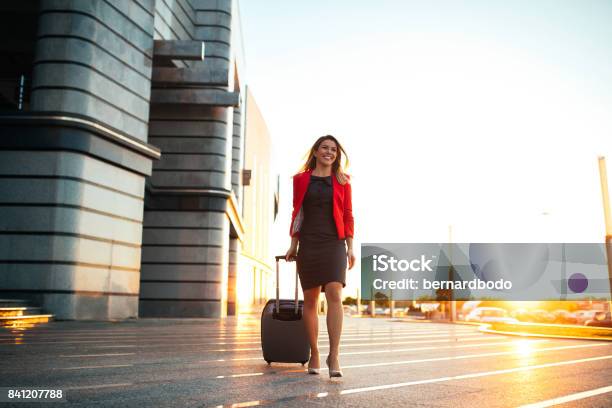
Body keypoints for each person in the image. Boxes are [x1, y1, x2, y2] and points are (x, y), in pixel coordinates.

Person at [285, 135, 355, 378]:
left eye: (334, 149)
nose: (329, 152)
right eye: (324, 148)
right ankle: (314, 352)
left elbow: (348, 215)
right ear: (315, 152)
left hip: (334, 241)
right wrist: (293, 244)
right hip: (310, 242)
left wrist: (350, 246)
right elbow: (297, 212)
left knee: (335, 292)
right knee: (311, 299)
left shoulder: (343, 181)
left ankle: (333, 355)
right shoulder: (300, 179)